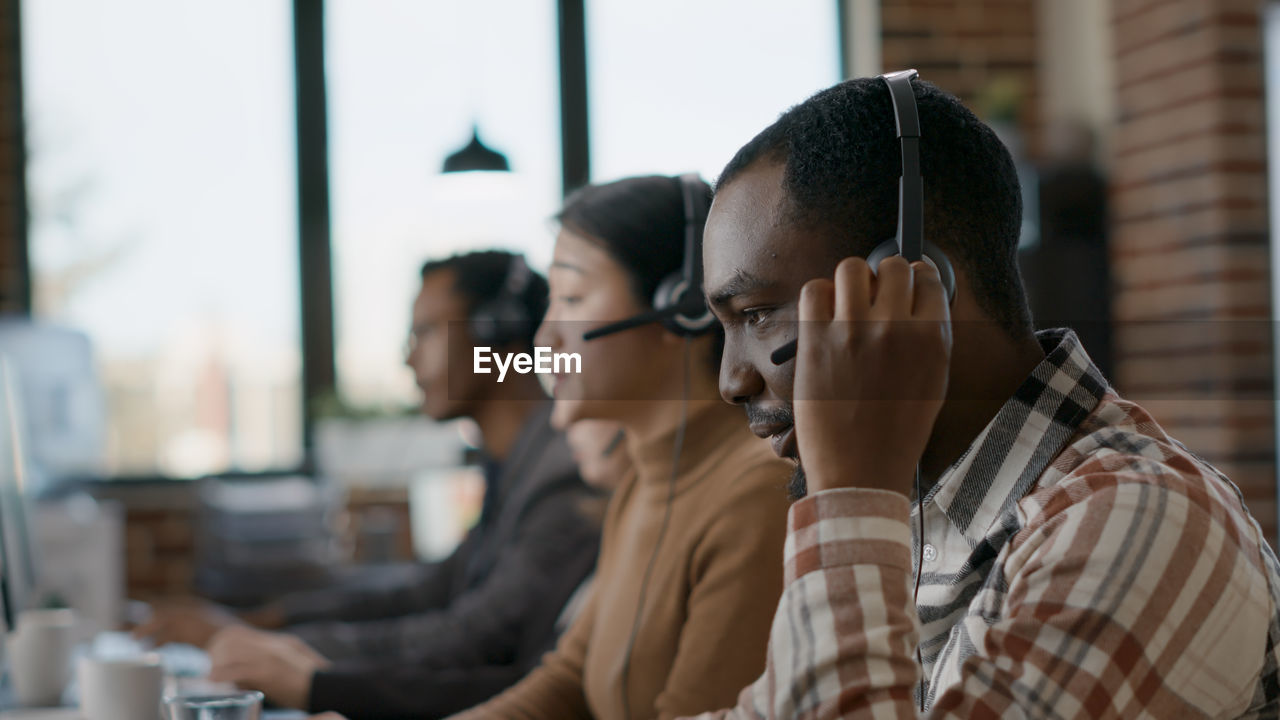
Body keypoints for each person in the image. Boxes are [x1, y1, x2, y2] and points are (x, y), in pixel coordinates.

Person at [682, 74, 1280, 717]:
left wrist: (851, 494)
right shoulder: (917, 518)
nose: (730, 380)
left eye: (757, 313)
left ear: (915, 287)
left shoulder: (1139, 521)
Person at [139, 250, 604, 713]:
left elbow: (475, 637)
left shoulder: (563, 472)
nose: (408, 357)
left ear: (492, 333)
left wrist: (290, 659)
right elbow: (427, 593)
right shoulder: (512, 464)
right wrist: (266, 623)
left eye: (424, 332)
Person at [438, 174, 793, 720]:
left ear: (679, 306)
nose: (543, 340)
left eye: (574, 298)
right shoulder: (639, 487)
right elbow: (567, 680)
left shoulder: (753, 496)